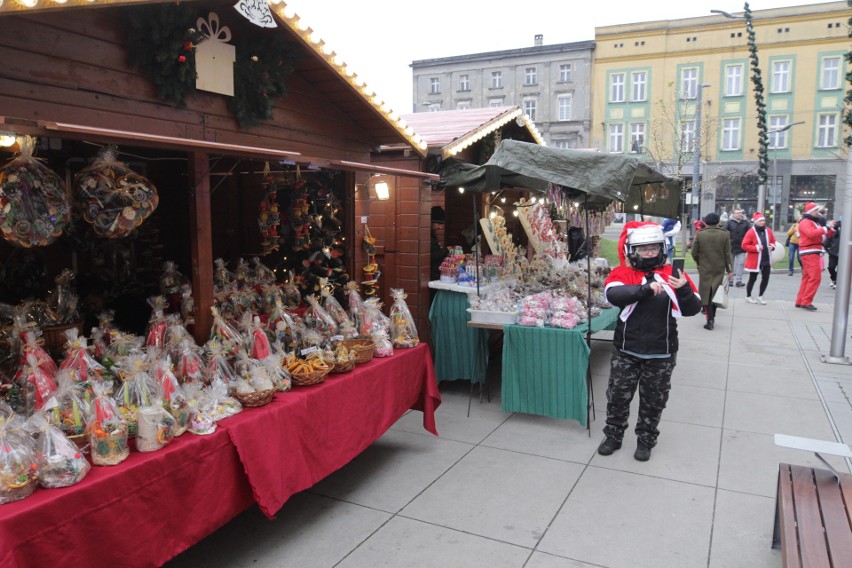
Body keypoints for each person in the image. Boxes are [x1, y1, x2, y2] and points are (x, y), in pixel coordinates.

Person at [597, 222, 702, 462]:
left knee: (654, 401)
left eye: (653, 248)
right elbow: (613, 295)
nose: (649, 253)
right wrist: (645, 289)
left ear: (661, 249)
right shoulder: (624, 273)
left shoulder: (673, 275)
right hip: (627, 350)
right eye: (643, 249)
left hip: (661, 352)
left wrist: (683, 289)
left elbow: (693, 309)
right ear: (633, 250)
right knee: (617, 397)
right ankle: (613, 435)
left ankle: (645, 440)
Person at [691, 212, 732, 331]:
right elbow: (727, 254)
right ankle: (712, 317)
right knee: (715, 294)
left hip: (705, 268)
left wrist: (699, 262)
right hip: (719, 268)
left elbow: (694, 252)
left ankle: (710, 320)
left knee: (706, 294)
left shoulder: (700, 234)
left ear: (706, 222)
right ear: (718, 221)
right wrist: (730, 269)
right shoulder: (725, 234)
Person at [795, 202, 837, 311]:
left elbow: (822, 234)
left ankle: (800, 300)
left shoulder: (812, 222)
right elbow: (812, 234)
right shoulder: (806, 222)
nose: (818, 212)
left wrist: (832, 229)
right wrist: (827, 228)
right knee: (815, 277)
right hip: (810, 251)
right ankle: (806, 301)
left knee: (808, 277)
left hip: (810, 251)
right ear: (810, 211)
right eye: (816, 210)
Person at [741, 212, 777, 304]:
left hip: (766, 259)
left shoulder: (768, 230)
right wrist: (756, 248)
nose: (762, 222)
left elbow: (773, 240)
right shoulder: (751, 232)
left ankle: (760, 296)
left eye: (763, 221)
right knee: (752, 278)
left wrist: (772, 246)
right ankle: (748, 296)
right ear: (756, 222)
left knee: (766, 278)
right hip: (755, 260)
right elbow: (744, 245)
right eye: (760, 221)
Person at [723, 208, 750, 287]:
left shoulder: (746, 223)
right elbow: (723, 232)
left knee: (741, 263)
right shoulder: (728, 222)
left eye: (741, 213)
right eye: (737, 213)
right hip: (730, 247)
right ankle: (730, 279)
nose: (739, 214)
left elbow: (750, 233)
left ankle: (738, 280)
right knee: (730, 264)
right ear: (733, 214)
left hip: (742, 247)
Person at [430, 206, 447, 282]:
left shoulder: (433, 235)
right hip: (431, 276)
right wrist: (446, 250)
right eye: (439, 223)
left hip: (435, 274)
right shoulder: (427, 236)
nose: (440, 227)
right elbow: (432, 255)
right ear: (431, 222)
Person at [825, 220, 840, 289]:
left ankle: (837, 281)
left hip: (843, 255)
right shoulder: (833, 232)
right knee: (831, 267)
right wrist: (828, 250)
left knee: (840, 269)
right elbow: (826, 242)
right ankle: (834, 279)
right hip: (833, 253)